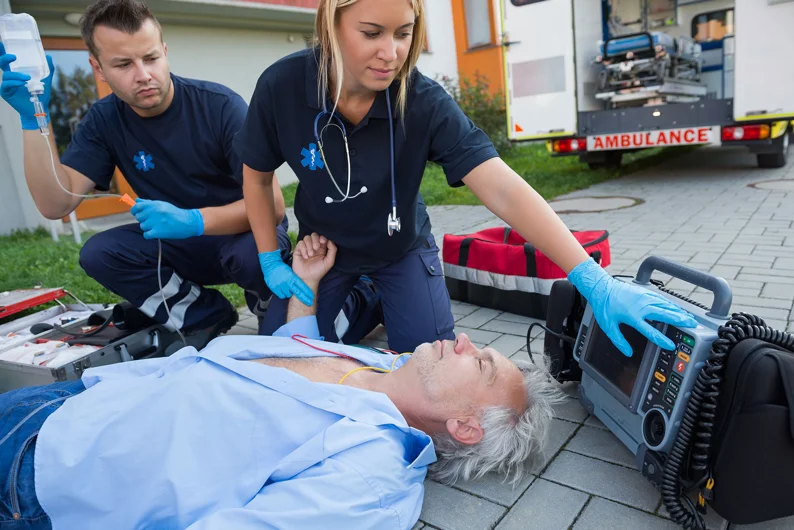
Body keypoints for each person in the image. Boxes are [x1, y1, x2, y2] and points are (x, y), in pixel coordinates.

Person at [0, 232, 564, 530]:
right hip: (86, 398)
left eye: (480, 362)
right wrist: (309, 284)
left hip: (54, 472)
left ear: (466, 426)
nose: (463, 340)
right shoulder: (385, 368)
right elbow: (298, 352)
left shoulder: (368, 480)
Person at [235, 0, 699, 357]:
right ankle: (367, 300)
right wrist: (270, 259)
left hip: (400, 250)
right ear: (330, 24)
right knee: (279, 352)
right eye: (371, 32)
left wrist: (592, 278)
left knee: (426, 363)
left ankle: (389, 294)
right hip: (325, 252)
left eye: (404, 32)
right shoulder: (283, 87)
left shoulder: (423, 101)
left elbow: (502, 186)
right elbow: (256, 179)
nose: (390, 52)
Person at [0, 0, 381, 346]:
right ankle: (204, 316)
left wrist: (193, 220)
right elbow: (56, 203)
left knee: (292, 339)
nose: (143, 74)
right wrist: (34, 116)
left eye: (150, 58)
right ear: (97, 68)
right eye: (123, 65)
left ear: (165, 52)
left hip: (244, 238)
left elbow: (274, 207)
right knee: (100, 253)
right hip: (176, 245)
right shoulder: (104, 120)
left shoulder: (218, 107)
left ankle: (359, 298)